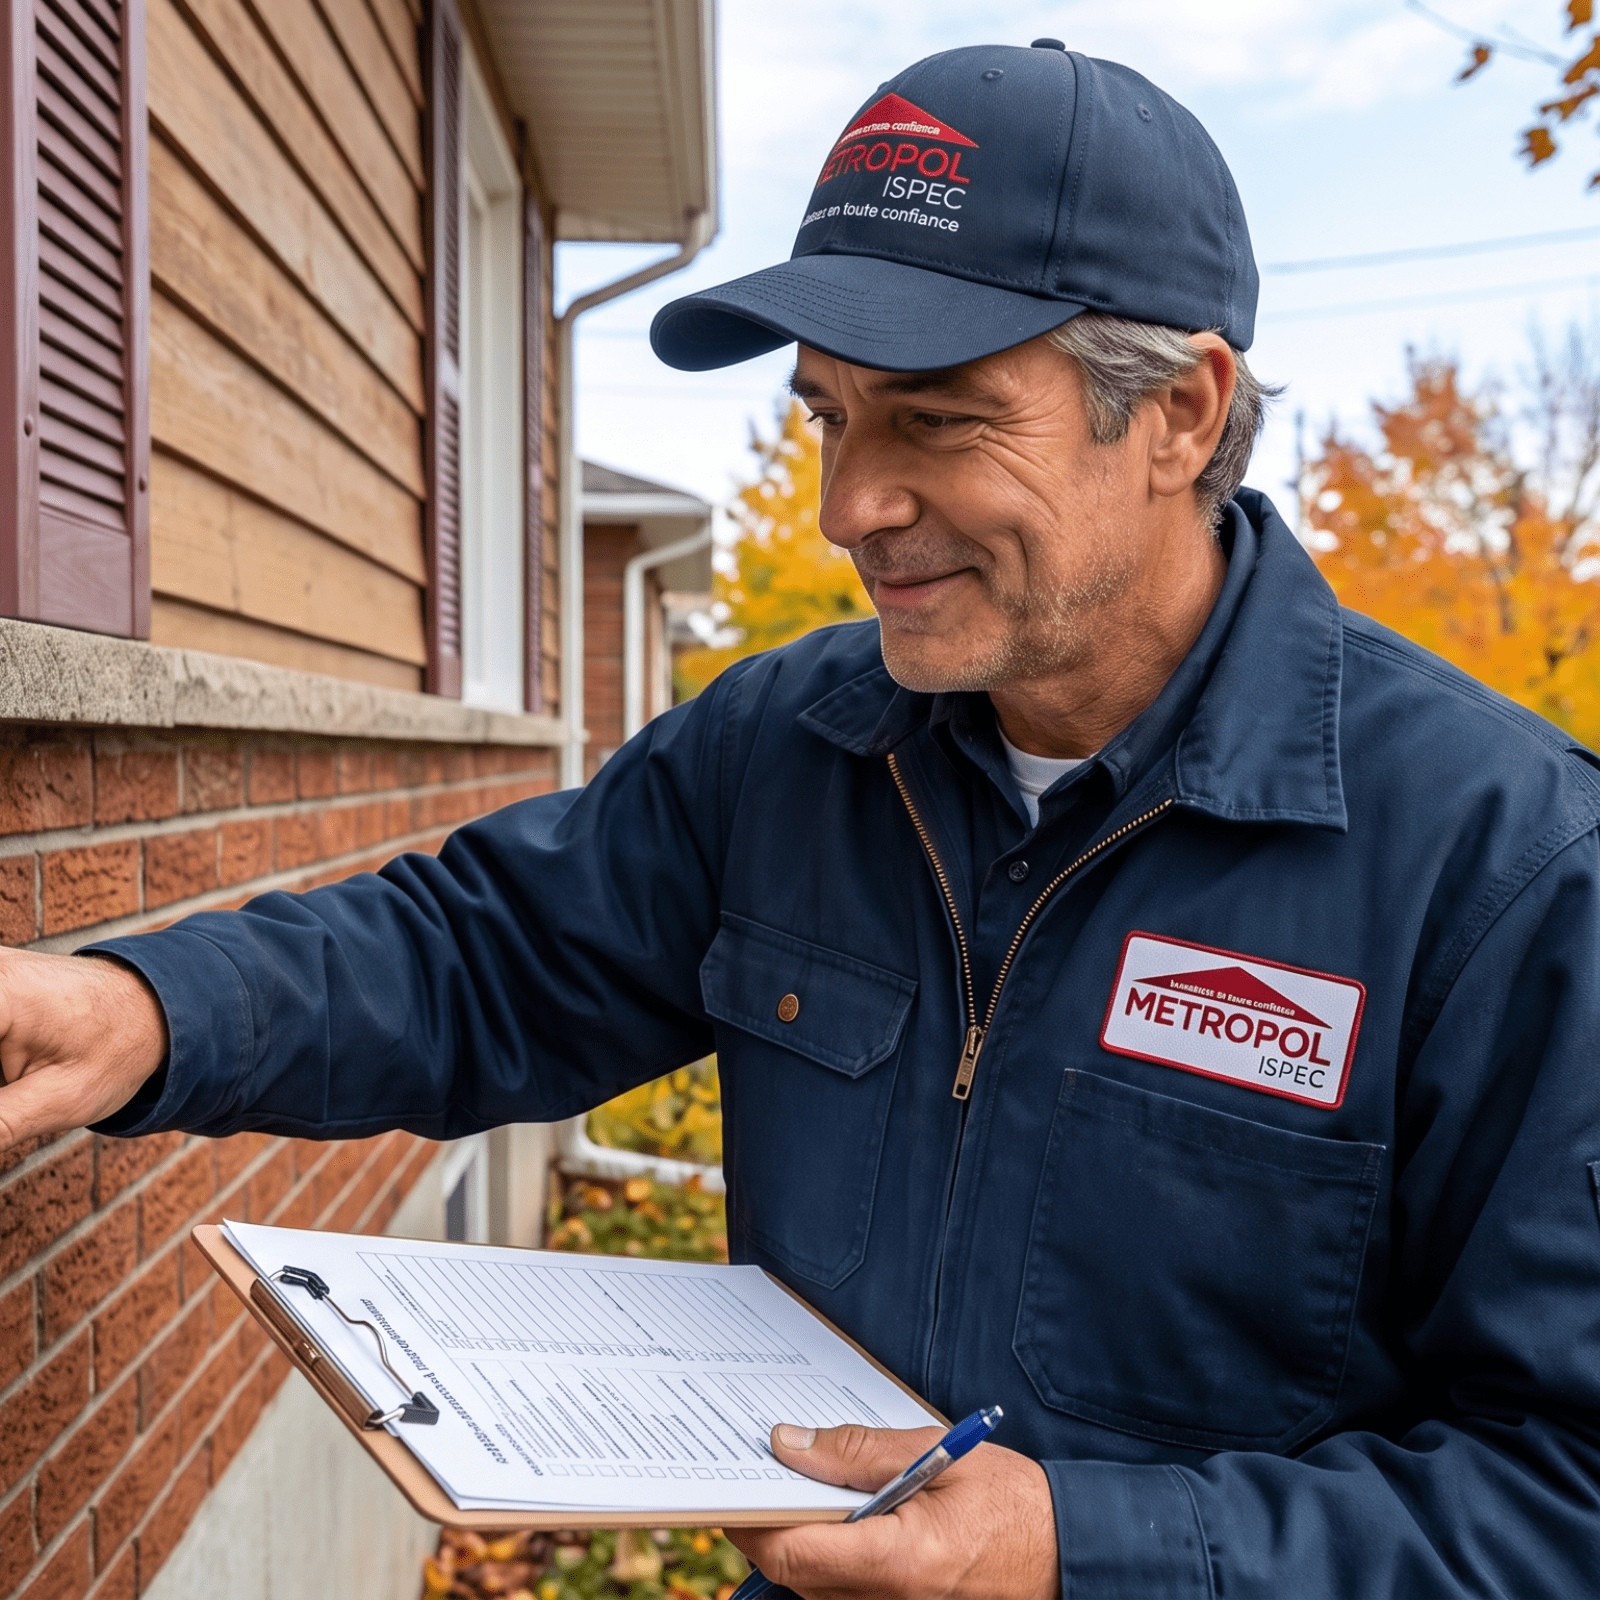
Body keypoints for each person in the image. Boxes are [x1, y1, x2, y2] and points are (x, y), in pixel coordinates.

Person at [3, 40, 1599, 1600]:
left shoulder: (1504, 867)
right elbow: (480, 959)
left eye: (938, 420)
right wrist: (144, 1010)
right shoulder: (794, 743)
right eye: (832, 415)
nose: (850, 509)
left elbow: (1565, 1494)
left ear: (1179, 412)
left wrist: (1073, 1549)